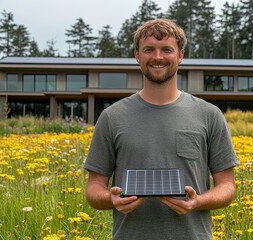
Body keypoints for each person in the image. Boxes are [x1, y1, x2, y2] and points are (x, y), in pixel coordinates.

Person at [84, 18, 239, 240]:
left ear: (180, 55)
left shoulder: (209, 115)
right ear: (137, 56)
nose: (158, 57)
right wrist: (112, 199)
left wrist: (198, 202)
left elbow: (227, 187)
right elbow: (93, 190)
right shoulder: (112, 117)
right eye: (149, 50)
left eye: (166, 49)